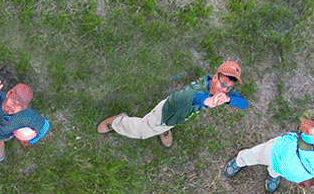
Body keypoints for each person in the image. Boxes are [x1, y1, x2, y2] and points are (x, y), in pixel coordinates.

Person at [96, 60, 248, 147]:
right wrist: (207, 101)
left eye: (229, 87)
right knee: (142, 131)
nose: (225, 89)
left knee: (172, 121)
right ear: (215, 77)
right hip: (165, 114)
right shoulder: (198, 89)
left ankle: (164, 129)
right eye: (223, 84)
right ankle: (117, 122)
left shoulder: (223, 92)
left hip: (177, 117)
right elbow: (189, 97)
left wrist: (228, 99)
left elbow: (244, 104)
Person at [223, 110, 314, 193]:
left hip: (285, 169)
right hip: (276, 151)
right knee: (251, 156)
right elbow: (305, 125)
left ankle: (273, 175)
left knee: (276, 170)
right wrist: (312, 129)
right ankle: (238, 161)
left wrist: (310, 183)